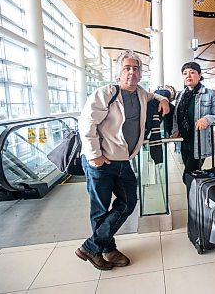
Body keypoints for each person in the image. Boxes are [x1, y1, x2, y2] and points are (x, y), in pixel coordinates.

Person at [76, 50, 170, 270]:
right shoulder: (106, 93)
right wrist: (94, 156)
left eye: (135, 68)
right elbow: (86, 123)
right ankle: (104, 250)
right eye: (127, 68)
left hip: (122, 160)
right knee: (100, 208)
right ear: (118, 73)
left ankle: (93, 247)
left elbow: (154, 96)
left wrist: (163, 98)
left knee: (128, 202)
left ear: (140, 73)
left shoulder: (141, 94)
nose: (131, 72)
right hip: (100, 161)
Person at [172, 62, 215, 194]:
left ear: (199, 75)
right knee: (192, 176)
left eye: (192, 72)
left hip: (200, 144)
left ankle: (197, 203)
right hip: (184, 142)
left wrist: (207, 119)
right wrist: (175, 130)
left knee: (187, 176)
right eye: (185, 73)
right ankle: (196, 203)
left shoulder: (210, 94)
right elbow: (176, 116)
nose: (188, 75)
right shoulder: (180, 95)